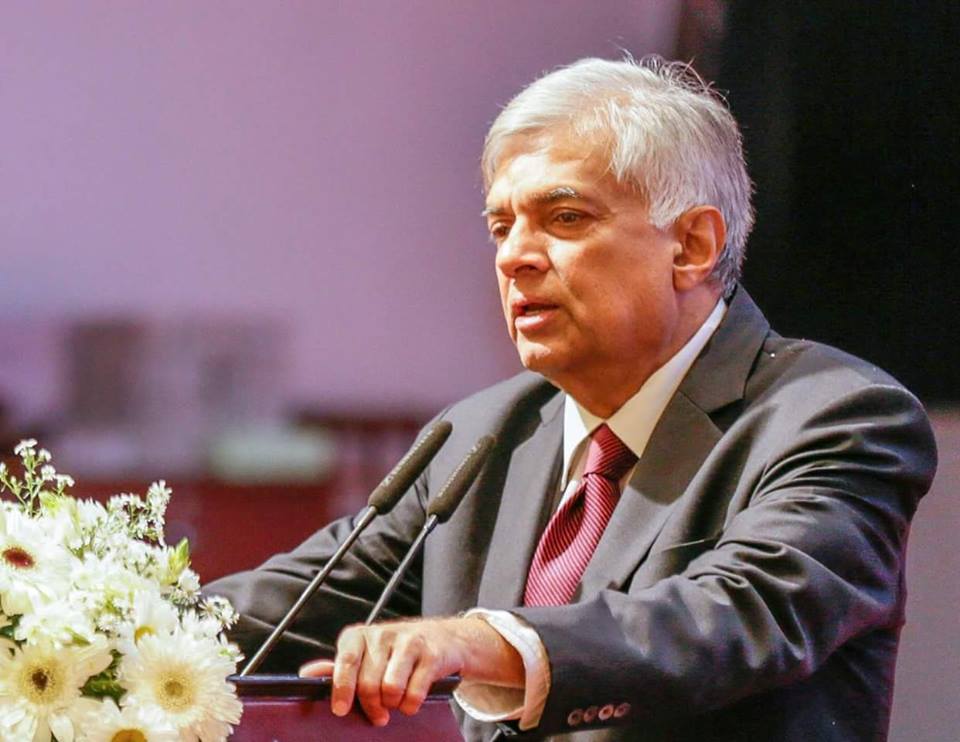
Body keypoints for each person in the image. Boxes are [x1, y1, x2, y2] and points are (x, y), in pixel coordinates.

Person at [205, 56, 937, 741]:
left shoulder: (837, 417)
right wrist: (136, 624)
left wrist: (482, 642)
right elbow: (289, 608)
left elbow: (739, 614)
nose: (514, 256)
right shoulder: (482, 433)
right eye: (501, 226)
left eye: (565, 219)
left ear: (691, 245)